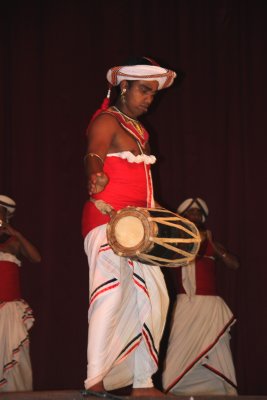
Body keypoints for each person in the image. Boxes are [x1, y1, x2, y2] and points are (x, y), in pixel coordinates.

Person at [81, 56, 176, 396]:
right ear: (124, 86)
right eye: (144, 90)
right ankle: (94, 380)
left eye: (153, 93)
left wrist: (164, 217)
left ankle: (143, 382)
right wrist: (95, 175)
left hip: (141, 227)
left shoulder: (141, 132)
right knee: (110, 295)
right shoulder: (107, 120)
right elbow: (94, 153)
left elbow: (145, 188)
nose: (149, 98)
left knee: (156, 299)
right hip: (108, 219)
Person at [162, 197, 239, 396]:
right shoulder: (175, 239)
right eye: (190, 212)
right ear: (183, 217)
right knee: (178, 350)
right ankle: (172, 390)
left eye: (198, 213)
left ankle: (223, 391)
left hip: (210, 307)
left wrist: (215, 247)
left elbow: (234, 264)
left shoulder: (212, 243)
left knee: (217, 350)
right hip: (186, 305)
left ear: (202, 218)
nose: (195, 215)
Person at [0, 195, 41, 392]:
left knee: (14, 359)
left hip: (9, 311)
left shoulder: (14, 242)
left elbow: (36, 258)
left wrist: (16, 233)